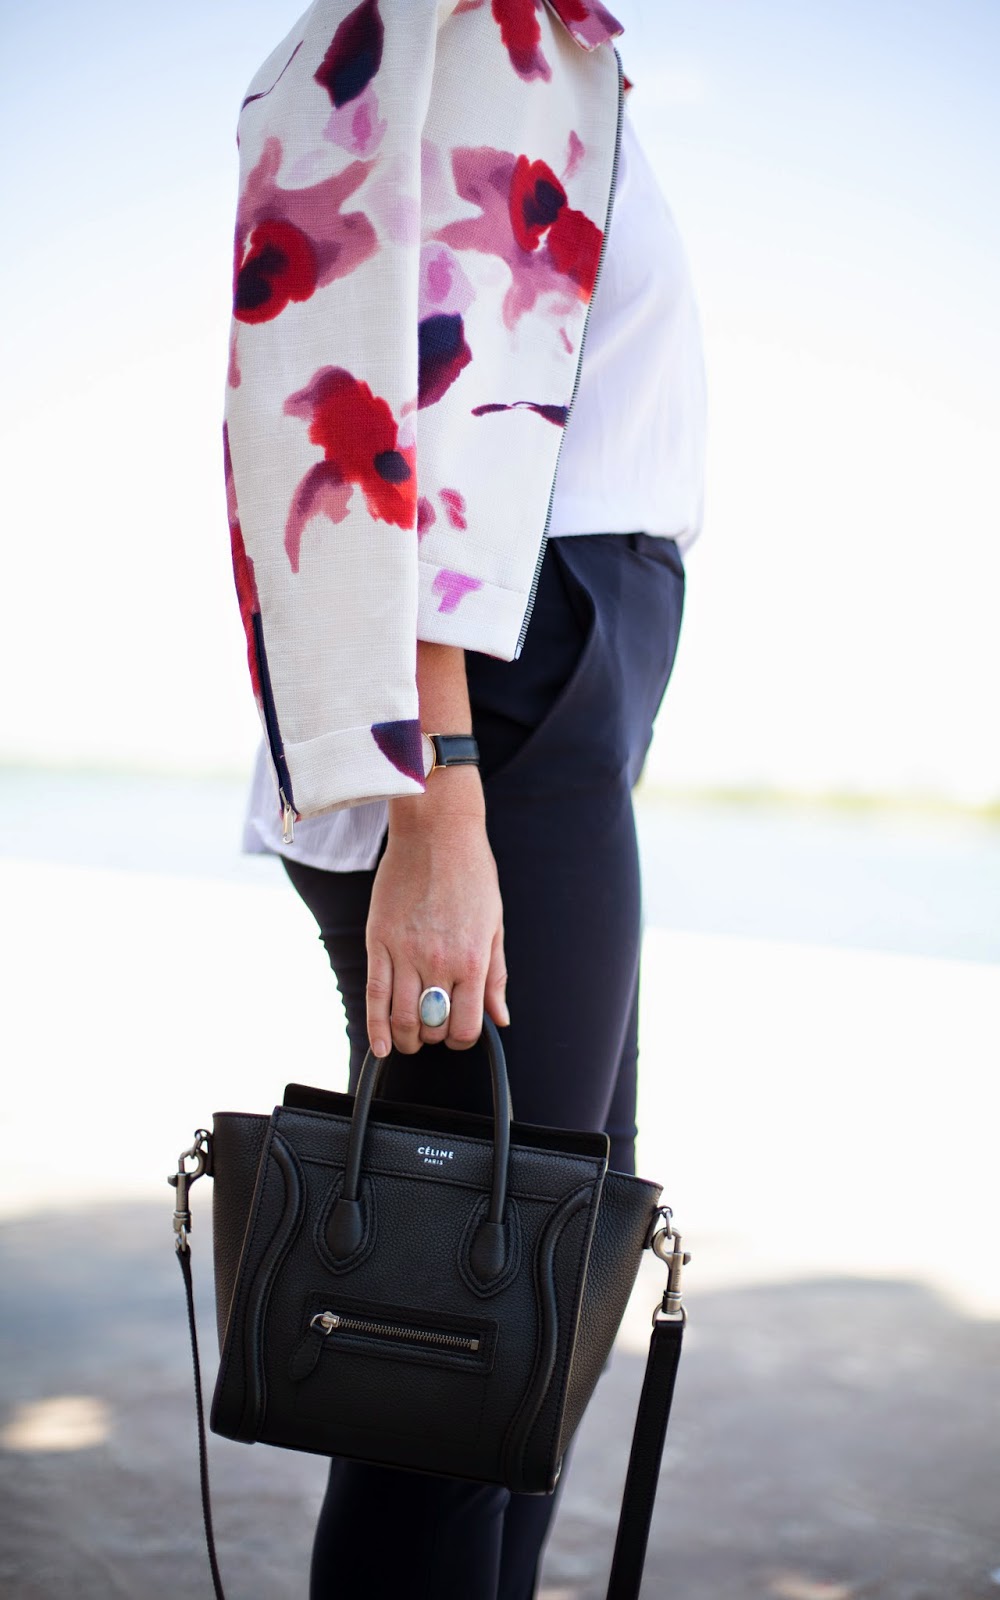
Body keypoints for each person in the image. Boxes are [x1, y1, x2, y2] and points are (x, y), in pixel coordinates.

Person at [226, 2, 705, 1595]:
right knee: (457, 1330)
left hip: (539, 687)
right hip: (491, 695)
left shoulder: (541, 42)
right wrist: (436, 794)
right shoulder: (464, 30)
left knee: (533, 1313)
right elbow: (402, 407)